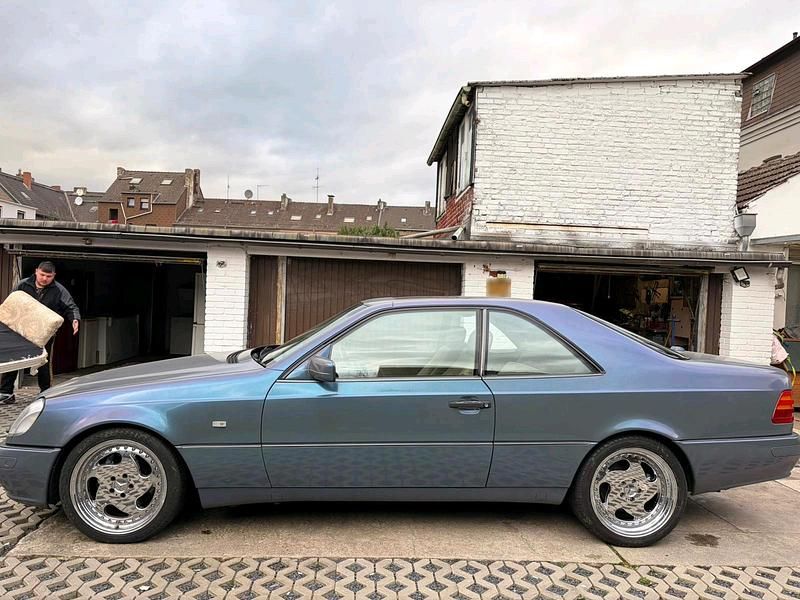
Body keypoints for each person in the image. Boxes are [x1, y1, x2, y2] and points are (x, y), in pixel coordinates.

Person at [0, 261, 80, 404]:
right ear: (36, 271)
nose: (44, 278)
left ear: (54, 275)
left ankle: (45, 394)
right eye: (42, 274)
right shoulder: (23, 285)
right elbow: (12, 303)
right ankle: (6, 393)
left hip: (43, 333)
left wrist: (75, 319)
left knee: (43, 361)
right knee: (14, 359)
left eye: (48, 276)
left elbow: (70, 306)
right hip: (20, 330)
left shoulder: (59, 290)